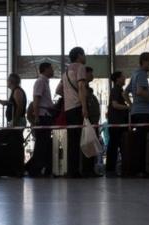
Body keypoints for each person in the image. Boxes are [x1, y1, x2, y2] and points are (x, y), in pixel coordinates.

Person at [123, 52, 149, 176]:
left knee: (138, 142)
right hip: (144, 113)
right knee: (143, 143)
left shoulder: (134, 74)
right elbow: (140, 91)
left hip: (136, 112)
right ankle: (141, 170)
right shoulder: (141, 74)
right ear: (144, 61)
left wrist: (132, 106)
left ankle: (136, 169)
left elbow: (125, 93)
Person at [61, 47, 89, 178]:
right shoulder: (80, 67)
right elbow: (82, 87)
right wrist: (84, 107)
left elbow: (59, 90)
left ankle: (71, 170)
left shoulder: (66, 71)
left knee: (72, 141)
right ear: (79, 56)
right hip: (77, 106)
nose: (85, 57)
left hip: (68, 108)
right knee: (80, 140)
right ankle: (79, 170)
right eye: (84, 54)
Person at [26, 62, 54, 177]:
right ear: (46, 69)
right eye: (51, 68)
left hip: (46, 115)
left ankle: (36, 168)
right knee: (41, 145)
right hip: (42, 116)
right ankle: (33, 169)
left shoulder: (45, 82)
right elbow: (36, 99)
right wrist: (36, 116)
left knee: (45, 144)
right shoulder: (40, 81)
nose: (53, 71)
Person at [106, 71, 129, 177]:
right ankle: (110, 170)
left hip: (119, 122)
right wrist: (128, 107)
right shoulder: (116, 90)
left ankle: (116, 169)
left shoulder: (119, 90)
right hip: (116, 122)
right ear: (118, 79)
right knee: (114, 146)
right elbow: (115, 105)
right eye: (123, 76)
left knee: (117, 146)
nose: (124, 78)